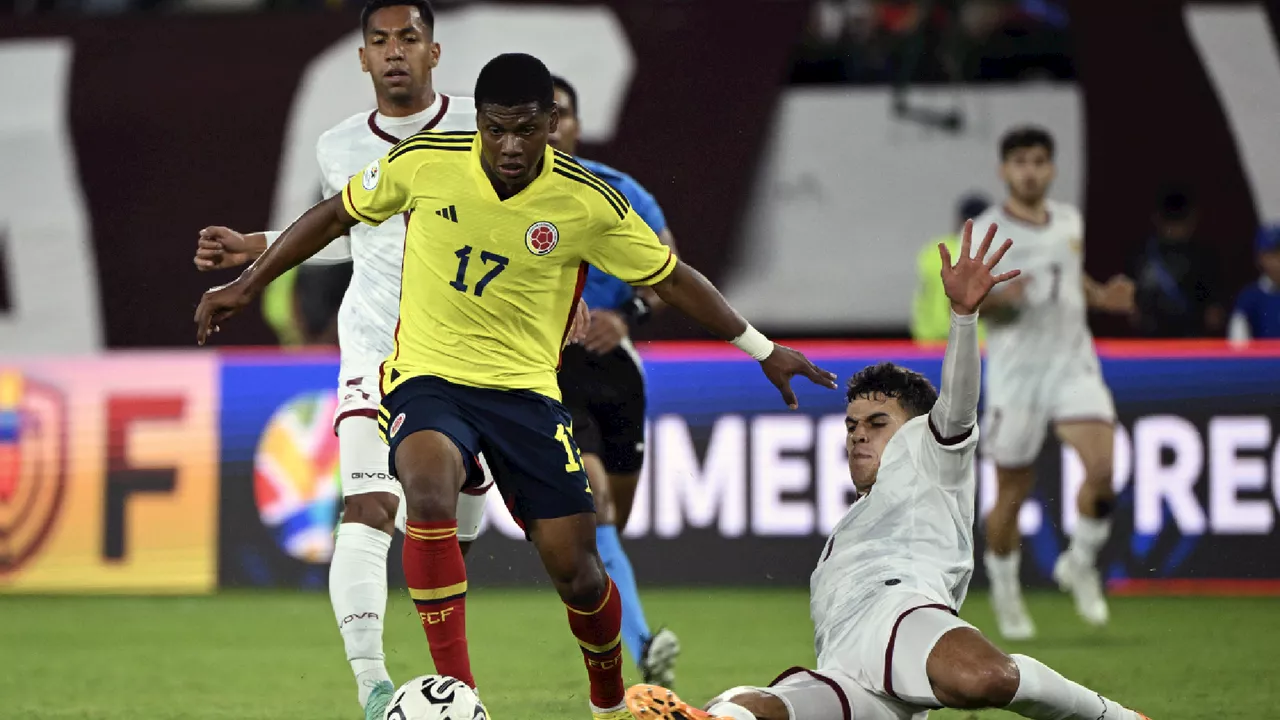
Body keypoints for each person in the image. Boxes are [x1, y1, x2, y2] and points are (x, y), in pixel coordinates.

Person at [194, 52, 836, 720]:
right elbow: (334, 216)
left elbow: (670, 278)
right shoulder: (426, 162)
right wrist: (247, 282)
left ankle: (611, 704)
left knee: (579, 575)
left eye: (525, 129)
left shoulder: (586, 201)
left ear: (550, 123)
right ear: (478, 121)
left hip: (527, 396)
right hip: (428, 377)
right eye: (495, 128)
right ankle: (460, 697)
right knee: (426, 487)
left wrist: (761, 349)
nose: (508, 145)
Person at [622, 221, 1152, 720]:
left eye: (877, 422)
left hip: (898, 612)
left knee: (985, 678)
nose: (857, 433)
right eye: (852, 424)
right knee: (768, 706)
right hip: (847, 663)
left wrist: (963, 318)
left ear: (918, 427)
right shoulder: (852, 524)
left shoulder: (931, 453)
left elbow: (960, 405)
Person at [189, 2, 490, 718]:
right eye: (379, 42)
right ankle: (373, 687)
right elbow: (349, 229)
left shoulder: (482, 124)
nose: (394, 53)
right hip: (376, 347)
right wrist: (257, 247)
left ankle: (440, 656)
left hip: (472, 351)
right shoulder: (340, 145)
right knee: (369, 503)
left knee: (449, 516)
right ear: (362, 58)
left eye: (408, 39)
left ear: (434, 52)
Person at [971, 126, 1136, 640]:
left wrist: (1100, 295)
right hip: (1016, 377)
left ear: (1052, 168)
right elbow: (970, 303)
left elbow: (1070, 276)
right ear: (1004, 170)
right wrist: (1002, 297)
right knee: (1012, 495)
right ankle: (1005, 589)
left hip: (1072, 364)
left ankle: (1080, 561)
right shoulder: (987, 232)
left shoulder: (1069, 220)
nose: (1030, 171)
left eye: (1039, 161)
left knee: (1104, 469)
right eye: (1020, 161)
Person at [546, 74, 681, 687]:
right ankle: (645, 646)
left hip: (618, 372)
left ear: (578, 124)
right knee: (596, 505)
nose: (552, 124)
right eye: (538, 114)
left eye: (562, 113)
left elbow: (667, 277)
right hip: (550, 370)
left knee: (608, 525)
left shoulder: (622, 194)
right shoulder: (499, 198)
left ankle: (606, 615)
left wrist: (624, 316)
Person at [1129, 186, 1224, 337]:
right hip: (1151, 340)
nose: (1175, 230)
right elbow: (1132, 309)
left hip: (1191, 339)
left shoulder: (1204, 257)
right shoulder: (1143, 255)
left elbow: (1214, 314)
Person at [910, 192, 989, 343]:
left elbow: (921, 300)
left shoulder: (934, 249)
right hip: (977, 342)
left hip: (932, 340)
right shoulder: (991, 254)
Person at [1227, 224, 1280, 341]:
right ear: (1260, 258)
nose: (1278, 260)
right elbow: (1238, 343)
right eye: (1272, 254)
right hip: (1265, 359)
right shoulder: (1249, 297)